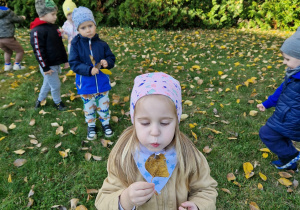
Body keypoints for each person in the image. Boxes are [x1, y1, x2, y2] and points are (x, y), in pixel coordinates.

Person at [95, 72, 218, 210]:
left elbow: (206, 190)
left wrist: (198, 206)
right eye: (145, 123)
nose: (155, 132)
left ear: (176, 122)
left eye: (165, 123)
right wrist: (125, 199)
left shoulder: (189, 155)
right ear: (134, 121)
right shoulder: (122, 156)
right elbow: (103, 199)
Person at [69, 6, 115, 140]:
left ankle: (105, 123)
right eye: (83, 28)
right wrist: (88, 70)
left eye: (90, 26)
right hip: (86, 85)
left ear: (94, 25)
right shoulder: (76, 45)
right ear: (77, 29)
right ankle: (91, 126)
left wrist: (107, 62)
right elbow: (74, 63)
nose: (88, 30)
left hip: (102, 83)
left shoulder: (102, 44)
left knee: (104, 105)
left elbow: (111, 57)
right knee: (89, 107)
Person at [257, 27, 300, 172]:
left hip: (293, 119)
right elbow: (281, 90)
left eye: (287, 59)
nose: (284, 62)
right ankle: (289, 162)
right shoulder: (293, 73)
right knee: (275, 135)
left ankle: (291, 155)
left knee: (267, 133)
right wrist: (267, 103)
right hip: (285, 115)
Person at [30, 0, 68, 111]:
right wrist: (45, 67)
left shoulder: (53, 27)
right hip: (48, 66)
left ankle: (39, 100)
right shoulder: (37, 31)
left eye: (55, 14)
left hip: (55, 63)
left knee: (47, 84)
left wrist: (65, 60)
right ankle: (58, 102)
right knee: (55, 85)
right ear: (43, 14)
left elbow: (60, 45)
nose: (55, 17)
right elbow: (38, 51)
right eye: (53, 14)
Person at [0, 0, 26, 71]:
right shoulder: (8, 12)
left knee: (8, 51)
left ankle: (7, 65)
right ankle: (17, 65)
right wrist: (22, 17)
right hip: (8, 37)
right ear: (5, 4)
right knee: (20, 50)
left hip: (0, 40)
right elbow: (17, 19)